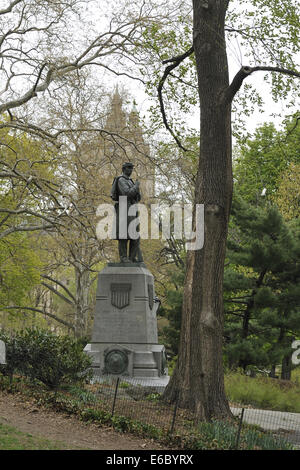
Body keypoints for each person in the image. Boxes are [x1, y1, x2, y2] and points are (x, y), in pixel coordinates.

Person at [112, 162, 144, 263]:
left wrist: (137, 192)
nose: (130, 170)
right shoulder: (121, 180)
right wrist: (136, 186)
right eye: (128, 168)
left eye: (131, 168)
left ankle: (132, 257)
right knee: (124, 234)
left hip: (132, 208)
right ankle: (124, 258)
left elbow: (136, 196)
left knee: (135, 235)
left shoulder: (130, 181)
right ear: (124, 169)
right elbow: (127, 193)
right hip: (124, 208)